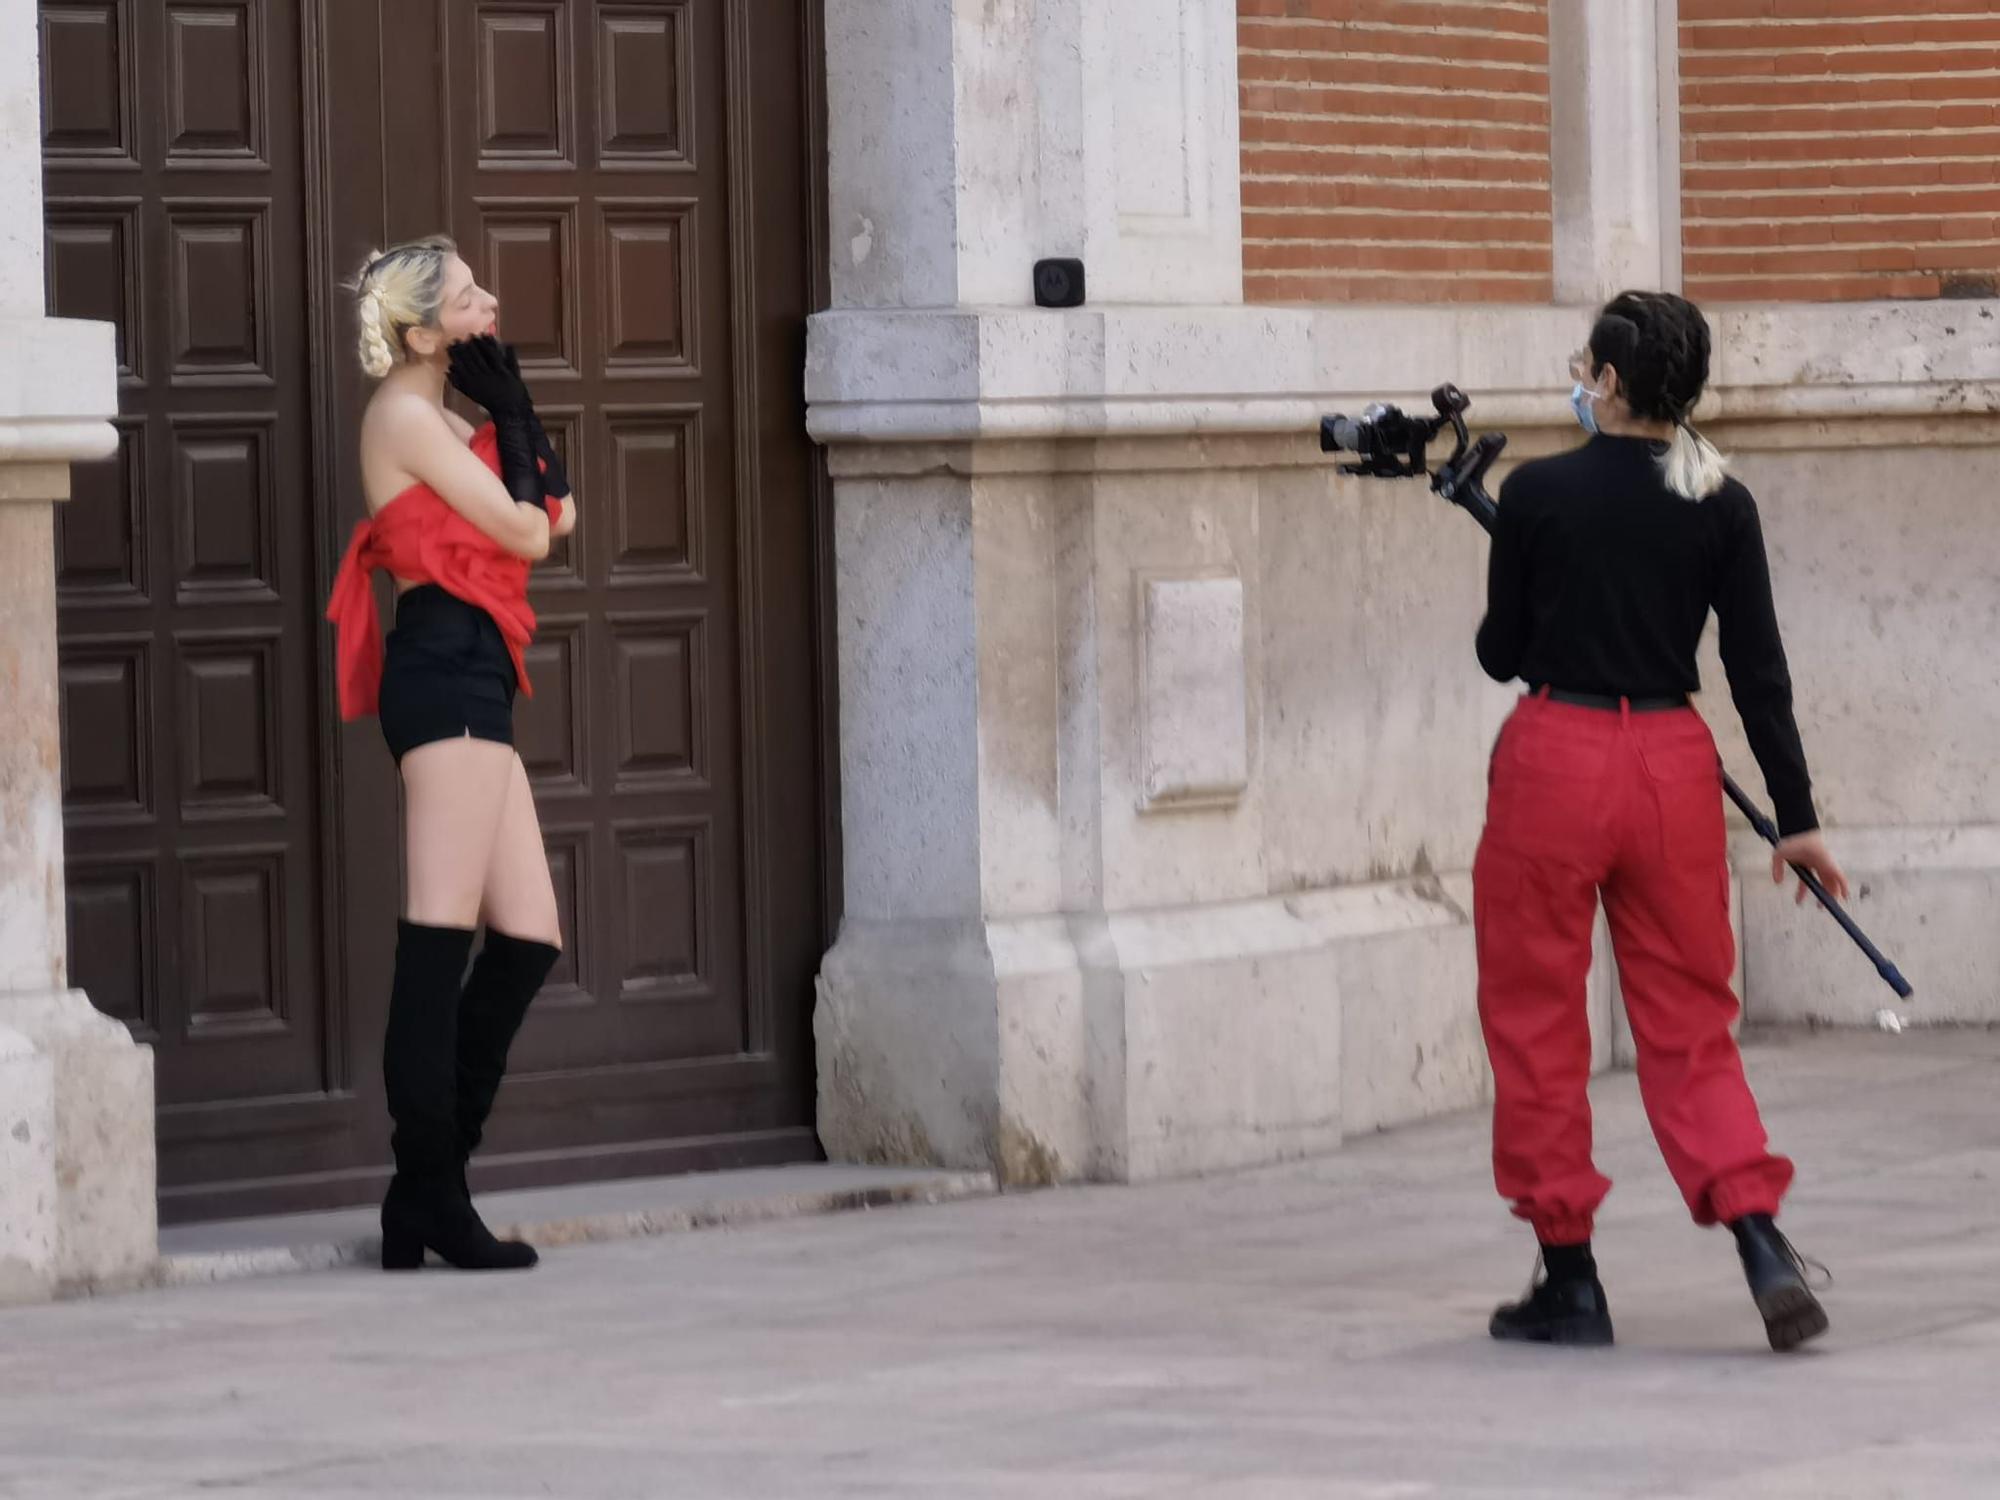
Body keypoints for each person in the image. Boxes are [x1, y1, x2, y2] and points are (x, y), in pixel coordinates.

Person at [1472, 290, 1846, 1352]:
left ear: (1607, 380)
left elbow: (1501, 652)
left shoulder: (1536, 489)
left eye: (1584, 363)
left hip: (1556, 757)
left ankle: (1570, 1276)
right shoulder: (1719, 498)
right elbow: (1755, 671)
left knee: (1535, 1015)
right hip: (1672, 766)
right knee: (1689, 1017)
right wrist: (1795, 820)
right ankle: (1759, 1240)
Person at [325, 236, 579, 1271]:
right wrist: (515, 429)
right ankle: (434, 1192)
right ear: (425, 332)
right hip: (440, 674)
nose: (492, 304)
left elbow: (556, 514)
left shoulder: (447, 419)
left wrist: (515, 425)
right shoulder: (402, 417)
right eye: (472, 297)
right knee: (435, 950)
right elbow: (525, 536)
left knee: (526, 940)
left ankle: (423, 1190)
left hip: (477, 677)